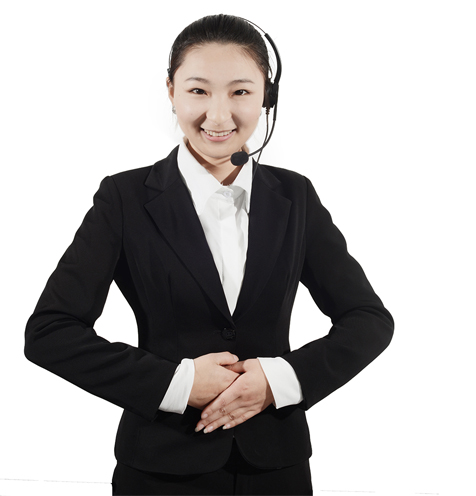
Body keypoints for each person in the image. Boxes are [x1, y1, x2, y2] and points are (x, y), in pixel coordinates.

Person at [25, 14, 394, 496]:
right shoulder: (124, 198)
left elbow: (368, 319)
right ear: (171, 91)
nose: (218, 117)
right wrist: (177, 384)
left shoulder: (296, 196)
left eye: (240, 92)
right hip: (159, 469)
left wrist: (279, 380)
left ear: (267, 96)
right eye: (198, 90)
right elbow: (50, 332)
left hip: (276, 471)